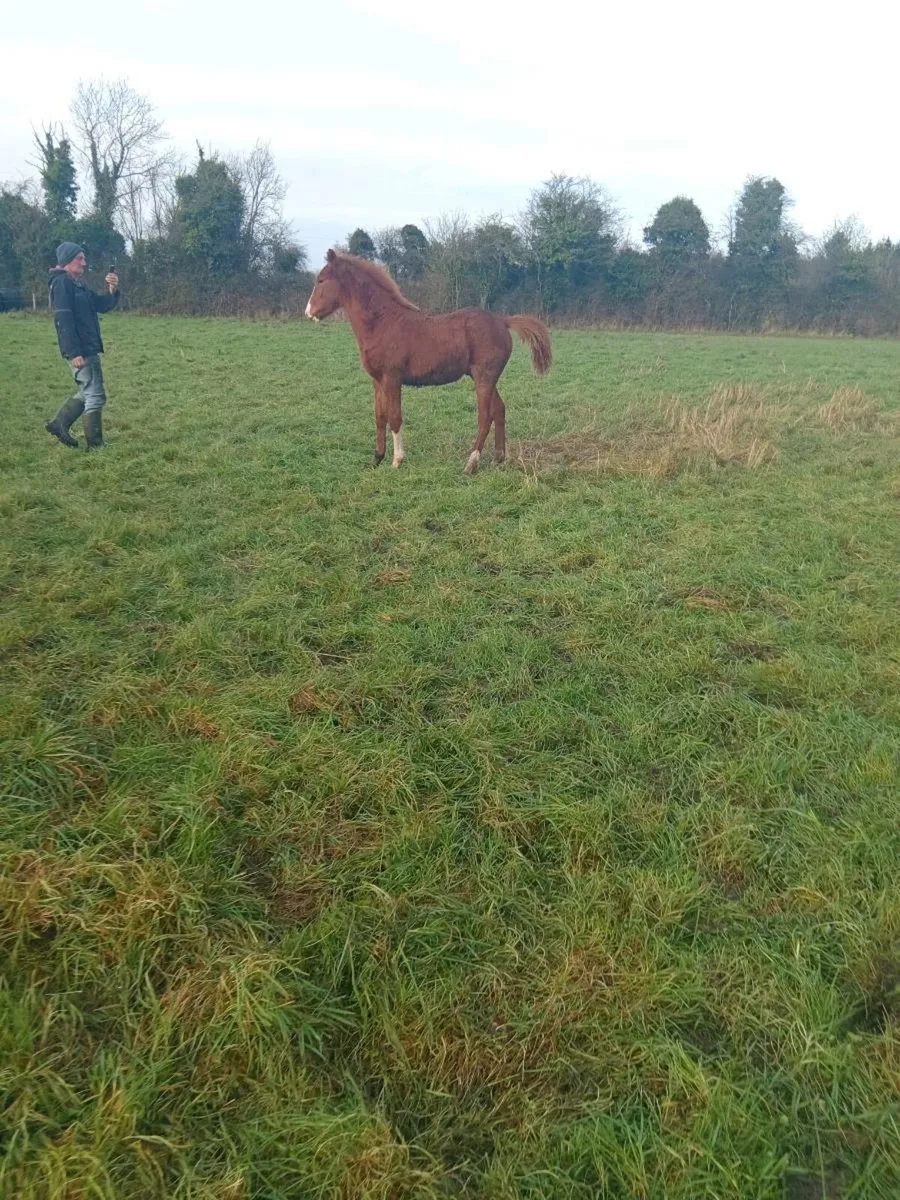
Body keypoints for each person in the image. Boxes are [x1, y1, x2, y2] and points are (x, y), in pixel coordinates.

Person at [45, 242, 120, 449]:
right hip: (80, 349)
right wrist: (74, 352)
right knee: (95, 395)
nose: (84, 263)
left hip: (89, 346)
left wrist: (112, 289)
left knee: (89, 390)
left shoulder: (78, 283)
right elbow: (63, 319)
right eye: (80, 258)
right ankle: (95, 446)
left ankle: (59, 423)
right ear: (68, 260)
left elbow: (101, 305)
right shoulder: (61, 283)